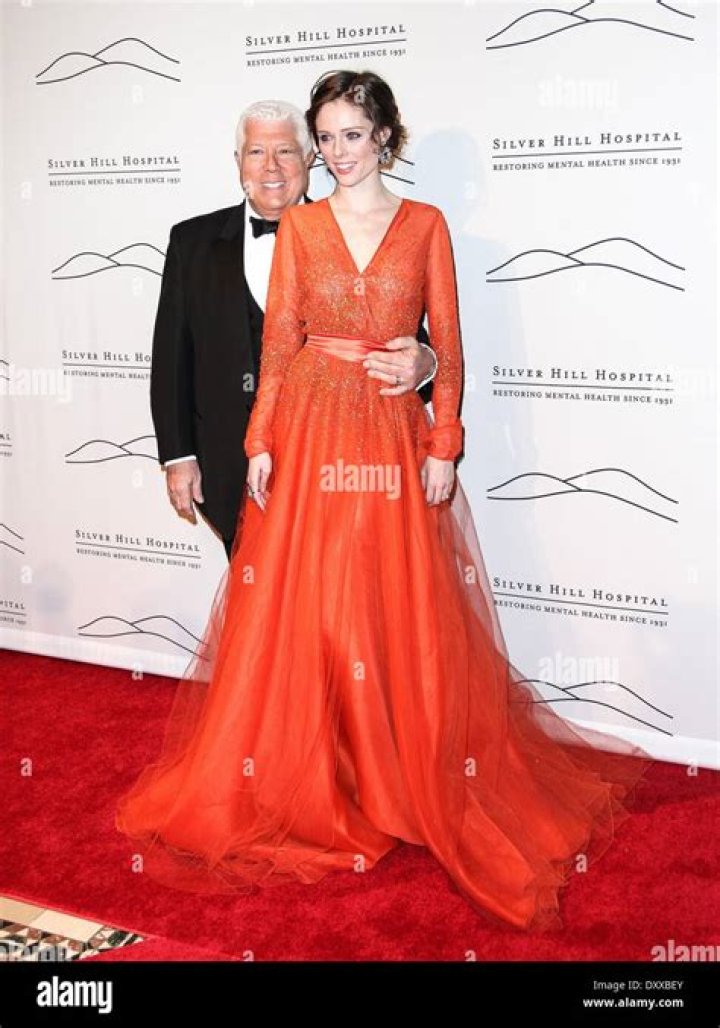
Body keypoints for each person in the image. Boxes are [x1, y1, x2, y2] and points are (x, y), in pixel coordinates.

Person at [116, 70, 653, 931]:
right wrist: (259, 442)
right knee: (314, 612)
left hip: (393, 440)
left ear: (385, 139)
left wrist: (444, 437)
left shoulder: (426, 225)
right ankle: (324, 778)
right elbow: (282, 345)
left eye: (352, 136)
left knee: (391, 607)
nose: (337, 153)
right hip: (311, 434)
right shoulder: (302, 226)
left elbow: (450, 345)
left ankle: (400, 778)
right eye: (326, 138)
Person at [150, 99, 437, 559]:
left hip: (339, 461)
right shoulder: (192, 242)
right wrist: (178, 456)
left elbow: (395, 327)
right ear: (238, 161)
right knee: (258, 596)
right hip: (232, 463)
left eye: (285, 151)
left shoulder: (357, 227)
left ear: (309, 158)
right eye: (256, 152)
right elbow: (171, 360)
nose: (271, 167)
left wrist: (426, 361)